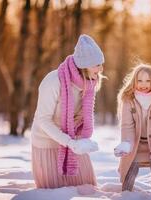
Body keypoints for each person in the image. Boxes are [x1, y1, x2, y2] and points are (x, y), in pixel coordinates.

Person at [30, 34, 105, 189]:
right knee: (53, 193)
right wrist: (68, 142)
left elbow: (81, 115)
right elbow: (43, 120)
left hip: (73, 141)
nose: (101, 69)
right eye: (97, 65)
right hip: (47, 142)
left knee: (87, 187)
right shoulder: (53, 81)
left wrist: (82, 140)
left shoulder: (90, 83)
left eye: (101, 64)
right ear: (84, 65)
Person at [114, 64, 151, 191]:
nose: (143, 84)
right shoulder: (128, 99)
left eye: (148, 81)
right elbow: (127, 126)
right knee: (128, 177)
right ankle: (126, 196)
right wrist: (126, 144)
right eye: (139, 80)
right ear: (134, 81)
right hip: (135, 144)